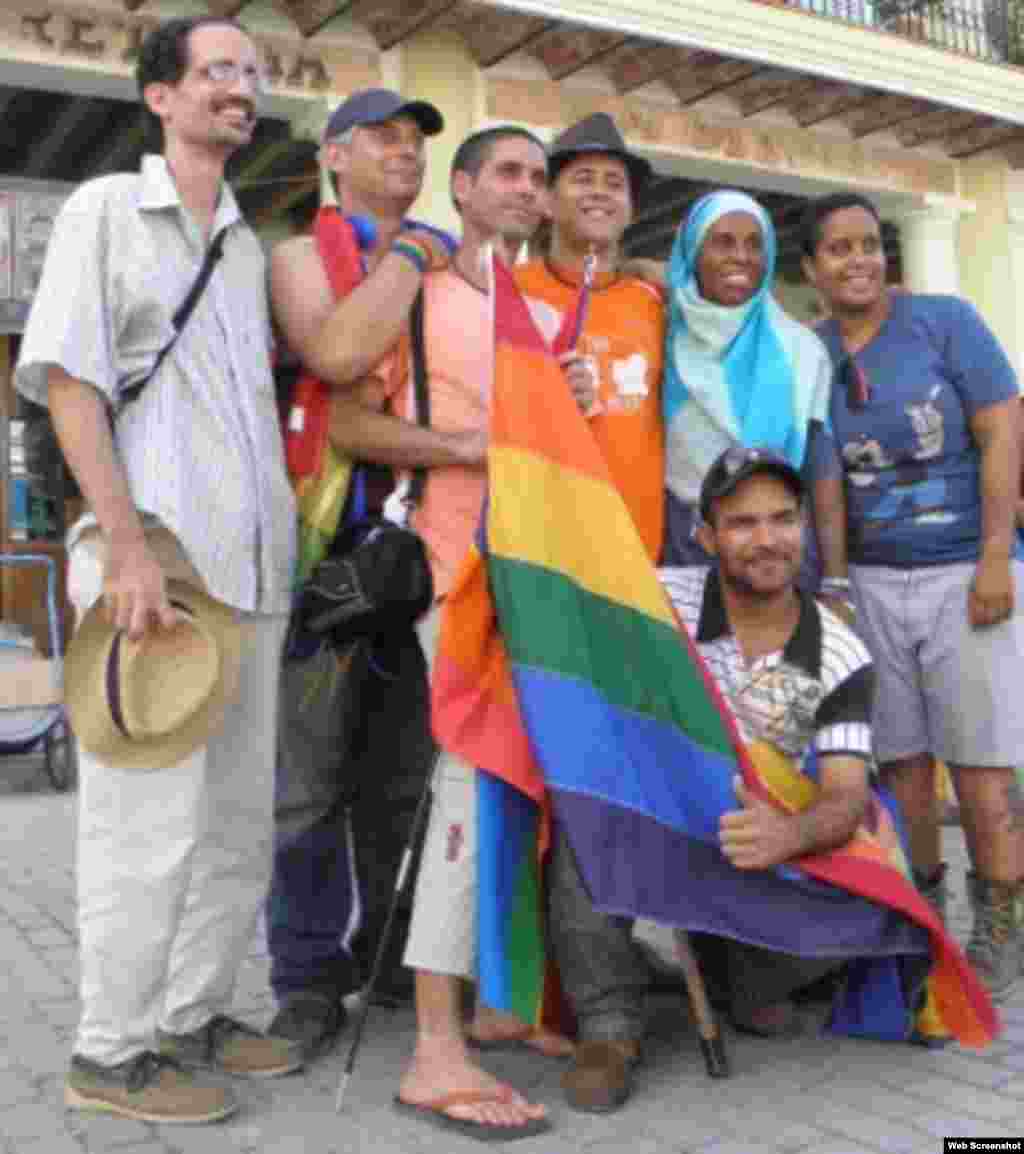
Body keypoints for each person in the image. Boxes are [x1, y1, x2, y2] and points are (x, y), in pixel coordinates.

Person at [14, 17, 301, 1125]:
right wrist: (123, 548)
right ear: (160, 97)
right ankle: (109, 1050)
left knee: (234, 821)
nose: (242, 87)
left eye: (250, 73)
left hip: (253, 576)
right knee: (144, 825)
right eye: (218, 72)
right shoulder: (103, 213)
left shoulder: (239, 240)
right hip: (158, 574)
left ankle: (193, 1013)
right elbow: (74, 385)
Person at [318, 124, 558, 1140]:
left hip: (533, 581)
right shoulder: (416, 287)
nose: (525, 188)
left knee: (511, 787)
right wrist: (463, 443)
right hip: (448, 573)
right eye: (504, 171)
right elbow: (344, 418)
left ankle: (495, 1001)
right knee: (462, 790)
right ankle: (432, 1046)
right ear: (460, 187)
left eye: (537, 178)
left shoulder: (539, 305)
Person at [554, 444, 875, 1113]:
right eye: (743, 523)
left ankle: (738, 972)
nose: (767, 540)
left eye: (783, 519)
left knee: (864, 907)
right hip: (650, 812)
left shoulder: (842, 652)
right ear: (706, 536)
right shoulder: (654, 598)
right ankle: (609, 1030)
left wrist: (789, 834)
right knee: (586, 820)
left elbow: (847, 796)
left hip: (755, 833)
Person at [800, 191, 1024, 999]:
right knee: (899, 763)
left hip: (965, 571)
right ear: (811, 269)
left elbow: (1004, 429)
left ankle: (999, 920)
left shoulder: (945, 322)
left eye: (870, 245)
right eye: (838, 249)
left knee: (982, 764)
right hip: (868, 580)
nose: (858, 261)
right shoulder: (810, 351)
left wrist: (996, 556)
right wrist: (832, 580)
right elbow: (823, 471)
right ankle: (922, 911)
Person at [266, 87, 448, 1063]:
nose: (405, 152)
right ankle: (303, 973)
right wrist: (415, 255)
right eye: (383, 137)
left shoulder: (447, 264)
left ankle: (388, 953)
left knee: (400, 776)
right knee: (306, 782)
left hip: (420, 555)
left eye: (416, 139)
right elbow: (336, 353)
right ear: (335, 154)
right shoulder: (299, 257)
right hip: (325, 555)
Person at [660, 189, 850, 617]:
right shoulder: (657, 335)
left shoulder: (801, 350)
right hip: (685, 548)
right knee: (697, 679)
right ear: (693, 251)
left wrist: (836, 580)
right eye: (723, 242)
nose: (740, 257)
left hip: (779, 554)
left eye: (754, 244)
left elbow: (822, 468)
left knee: (779, 680)